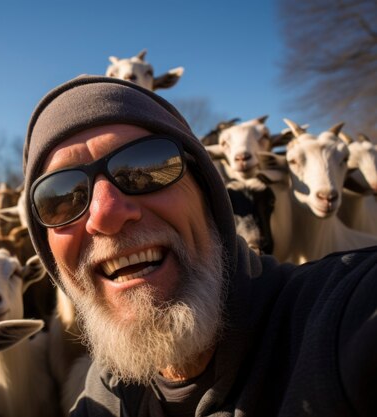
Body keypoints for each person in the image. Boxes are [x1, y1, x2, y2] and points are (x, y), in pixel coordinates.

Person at [22, 75, 377, 417]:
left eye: (146, 165)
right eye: (61, 197)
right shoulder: (107, 391)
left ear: (209, 194)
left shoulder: (336, 315)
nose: (106, 214)